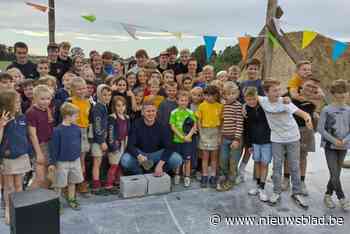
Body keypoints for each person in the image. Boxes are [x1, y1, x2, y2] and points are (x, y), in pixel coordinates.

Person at [258, 79, 313, 208]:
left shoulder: (285, 102)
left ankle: (297, 192)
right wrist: (244, 106)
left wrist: (308, 119)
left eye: (279, 89)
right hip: (276, 138)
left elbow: (303, 113)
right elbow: (250, 95)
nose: (278, 92)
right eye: (274, 90)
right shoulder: (263, 100)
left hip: (293, 137)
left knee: (294, 165)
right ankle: (276, 192)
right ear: (266, 93)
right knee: (277, 166)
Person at [120, 101, 183, 176]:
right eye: (148, 111)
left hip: (157, 154)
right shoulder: (136, 124)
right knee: (125, 160)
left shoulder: (162, 125)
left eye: (153, 111)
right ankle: (139, 172)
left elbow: (169, 146)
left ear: (156, 112)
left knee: (177, 159)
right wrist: (138, 156)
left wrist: (160, 165)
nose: (151, 113)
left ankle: (158, 170)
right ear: (142, 113)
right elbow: (130, 145)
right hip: (141, 154)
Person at [282, 79, 320, 195]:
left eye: (314, 87)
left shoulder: (315, 99)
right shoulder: (291, 94)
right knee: (288, 156)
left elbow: (316, 112)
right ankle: (286, 179)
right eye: (308, 85)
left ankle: (302, 182)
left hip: (305, 131)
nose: (310, 88)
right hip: (290, 129)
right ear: (301, 85)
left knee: (303, 156)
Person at [318, 80, 350, 210]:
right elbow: (320, 129)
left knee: (335, 173)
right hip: (330, 146)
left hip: (344, 146)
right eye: (339, 92)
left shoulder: (349, 110)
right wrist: (333, 140)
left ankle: (327, 195)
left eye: (345, 92)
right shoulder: (327, 109)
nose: (342, 95)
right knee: (334, 173)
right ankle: (342, 198)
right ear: (333, 94)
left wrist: (346, 140)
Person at [0, 90, 32, 224]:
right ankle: (8, 209)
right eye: (16, 102)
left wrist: (29, 153)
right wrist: (1, 125)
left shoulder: (22, 117)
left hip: (21, 156)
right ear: (8, 104)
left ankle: (18, 209)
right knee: (8, 187)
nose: (19, 104)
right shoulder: (2, 119)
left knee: (19, 185)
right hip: (7, 158)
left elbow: (26, 136)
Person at [49, 102, 83, 211]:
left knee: (72, 182)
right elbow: (54, 149)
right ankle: (56, 202)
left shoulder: (77, 129)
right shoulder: (57, 131)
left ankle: (71, 199)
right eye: (75, 116)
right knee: (59, 184)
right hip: (61, 162)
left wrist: (79, 158)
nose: (77, 117)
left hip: (75, 160)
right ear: (67, 116)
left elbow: (78, 144)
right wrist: (53, 163)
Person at [244, 87, 271, 202]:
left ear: (258, 97)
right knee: (257, 162)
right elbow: (246, 129)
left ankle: (262, 187)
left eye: (254, 99)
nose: (251, 101)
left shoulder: (264, 107)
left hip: (267, 141)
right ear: (245, 99)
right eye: (248, 99)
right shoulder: (246, 110)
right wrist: (249, 144)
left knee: (264, 163)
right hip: (255, 142)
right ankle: (257, 184)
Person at [26, 85, 55, 189]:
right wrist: (38, 153)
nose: (46, 101)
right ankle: (29, 200)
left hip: (50, 144)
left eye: (48, 98)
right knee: (40, 178)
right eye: (42, 99)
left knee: (48, 177)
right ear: (35, 98)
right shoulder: (31, 112)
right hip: (38, 146)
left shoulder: (48, 109)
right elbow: (32, 135)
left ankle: (44, 200)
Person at [217, 82, 243, 191]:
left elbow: (239, 123)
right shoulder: (224, 105)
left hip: (235, 139)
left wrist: (237, 139)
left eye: (233, 93)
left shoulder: (238, 106)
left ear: (237, 94)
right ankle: (224, 176)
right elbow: (222, 121)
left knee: (233, 161)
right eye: (228, 94)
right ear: (224, 95)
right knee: (223, 159)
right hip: (225, 138)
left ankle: (231, 180)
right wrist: (220, 135)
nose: (231, 96)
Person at [67, 77, 91, 196]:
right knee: (71, 158)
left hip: (84, 131)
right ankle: (71, 183)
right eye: (78, 89)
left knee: (82, 158)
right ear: (73, 90)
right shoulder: (69, 102)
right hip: (72, 131)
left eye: (83, 88)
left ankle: (81, 182)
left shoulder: (89, 102)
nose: (81, 91)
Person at [196, 85, 223, 188]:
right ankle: (204, 176)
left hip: (215, 132)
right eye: (206, 95)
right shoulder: (202, 106)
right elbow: (198, 120)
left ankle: (213, 176)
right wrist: (201, 133)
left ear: (216, 96)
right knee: (205, 156)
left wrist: (220, 135)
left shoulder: (219, 106)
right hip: (205, 132)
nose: (208, 97)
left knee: (214, 157)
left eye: (211, 95)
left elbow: (221, 122)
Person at [170, 91, 197, 187]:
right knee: (178, 159)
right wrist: (181, 137)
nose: (183, 102)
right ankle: (177, 175)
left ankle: (187, 176)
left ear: (188, 101)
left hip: (188, 141)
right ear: (177, 101)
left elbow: (194, 126)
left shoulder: (190, 112)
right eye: (181, 100)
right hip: (177, 140)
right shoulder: (174, 112)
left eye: (185, 100)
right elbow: (172, 127)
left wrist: (188, 136)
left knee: (187, 159)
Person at [90, 84, 112, 194]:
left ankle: (99, 183)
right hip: (97, 141)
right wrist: (102, 141)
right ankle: (96, 187)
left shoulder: (104, 106)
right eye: (104, 95)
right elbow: (97, 126)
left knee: (100, 162)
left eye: (109, 95)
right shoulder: (98, 108)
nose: (107, 97)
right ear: (98, 95)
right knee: (97, 162)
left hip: (101, 139)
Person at [106, 96, 130, 192]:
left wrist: (126, 145)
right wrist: (113, 146)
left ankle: (118, 181)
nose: (121, 108)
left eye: (123, 105)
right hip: (115, 144)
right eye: (118, 106)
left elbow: (127, 132)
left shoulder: (126, 117)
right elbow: (110, 133)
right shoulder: (112, 117)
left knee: (120, 164)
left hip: (123, 143)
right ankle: (109, 184)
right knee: (114, 165)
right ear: (114, 106)